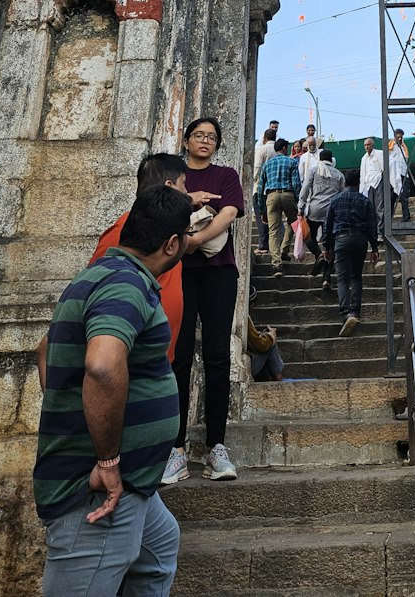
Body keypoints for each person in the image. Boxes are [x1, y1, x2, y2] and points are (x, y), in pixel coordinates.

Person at [34, 185, 191, 596]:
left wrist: (69, 410)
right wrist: (105, 458)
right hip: (99, 489)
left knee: (159, 548)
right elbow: (103, 366)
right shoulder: (127, 285)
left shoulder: (102, 273)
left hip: (133, 482)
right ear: (172, 244)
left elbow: (45, 352)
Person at [165, 117, 244, 487]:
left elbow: (229, 213)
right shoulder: (173, 173)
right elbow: (157, 209)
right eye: (199, 135)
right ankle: (176, 448)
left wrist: (194, 241)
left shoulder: (226, 175)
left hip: (217, 270)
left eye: (212, 137)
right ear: (185, 139)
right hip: (177, 272)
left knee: (217, 355)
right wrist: (187, 199)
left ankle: (217, 446)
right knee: (177, 355)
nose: (205, 141)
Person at [89, 153, 217, 363]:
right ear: (169, 186)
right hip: (131, 362)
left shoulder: (168, 231)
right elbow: (98, 288)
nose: (187, 193)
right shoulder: (123, 230)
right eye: (183, 185)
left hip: (157, 358)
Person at [323, 167, 379, 336]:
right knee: (356, 277)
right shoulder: (365, 201)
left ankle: (345, 313)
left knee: (342, 278)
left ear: (345, 183)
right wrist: (374, 247)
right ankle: (355, 312)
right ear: (359, 183)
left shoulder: (336, 200)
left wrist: (327, 246)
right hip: (360, 240)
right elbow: (372, 224)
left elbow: (328, 224)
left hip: (341, 239)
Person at [298, 146, 345, 284]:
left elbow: (305, 189)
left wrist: (300, 206)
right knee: (330, 244)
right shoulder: (339, 175)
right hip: (332, 213)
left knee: (308, 236)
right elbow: (342, 195)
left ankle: (318, 255)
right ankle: (327, 278)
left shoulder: (313, 170)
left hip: (315, 209)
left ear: (320, 159)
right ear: (331, 160)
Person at [258, 136, 301, 274]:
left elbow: (260, 187)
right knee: (293, 223)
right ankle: (284, 249)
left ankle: (276, 263)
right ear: (284, 148)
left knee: (274, 230)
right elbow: (296, 184)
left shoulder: (267, 164)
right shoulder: (292, 162)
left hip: (271, 196)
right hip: (288, 195)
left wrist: (261, 207)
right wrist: (298, 200)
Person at [359, 135, 403, 241]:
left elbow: (391, 162)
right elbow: (363, 174)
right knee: (371, 210)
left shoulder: (379, 154)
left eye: (368, 144)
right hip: (369, 185)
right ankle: (373, 232)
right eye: (365, 145)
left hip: (379, 182)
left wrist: (385, 174)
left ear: (372, 145)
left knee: (380, 208)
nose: (366, 147)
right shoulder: (364, 158)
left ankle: (380, 232)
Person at [252, 127, 277, 258]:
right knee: (272, 218)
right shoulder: (278, 152)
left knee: (260, 217)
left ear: (264, 138)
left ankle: (263, 245)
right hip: (273, 189)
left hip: (260, 189)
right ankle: (273, 245)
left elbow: (256, 168)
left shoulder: (261, 150)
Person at [247, 315, 286, 382]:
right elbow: (261, 345)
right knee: (270, 344)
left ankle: (274, 377)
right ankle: (278, 377)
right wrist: (271, 335)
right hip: (249, 368)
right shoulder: (243, 317)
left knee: (268, 340)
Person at [391, 128, 412, 224]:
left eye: (401, 137)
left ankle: (406, 219)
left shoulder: (405, 147)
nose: (399, 139)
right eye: (398, 137)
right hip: (394, 175)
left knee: (404, 197)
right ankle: (389, 219)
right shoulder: (390, 146)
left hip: (404, 173)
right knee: (391, 197)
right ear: (394, 137)